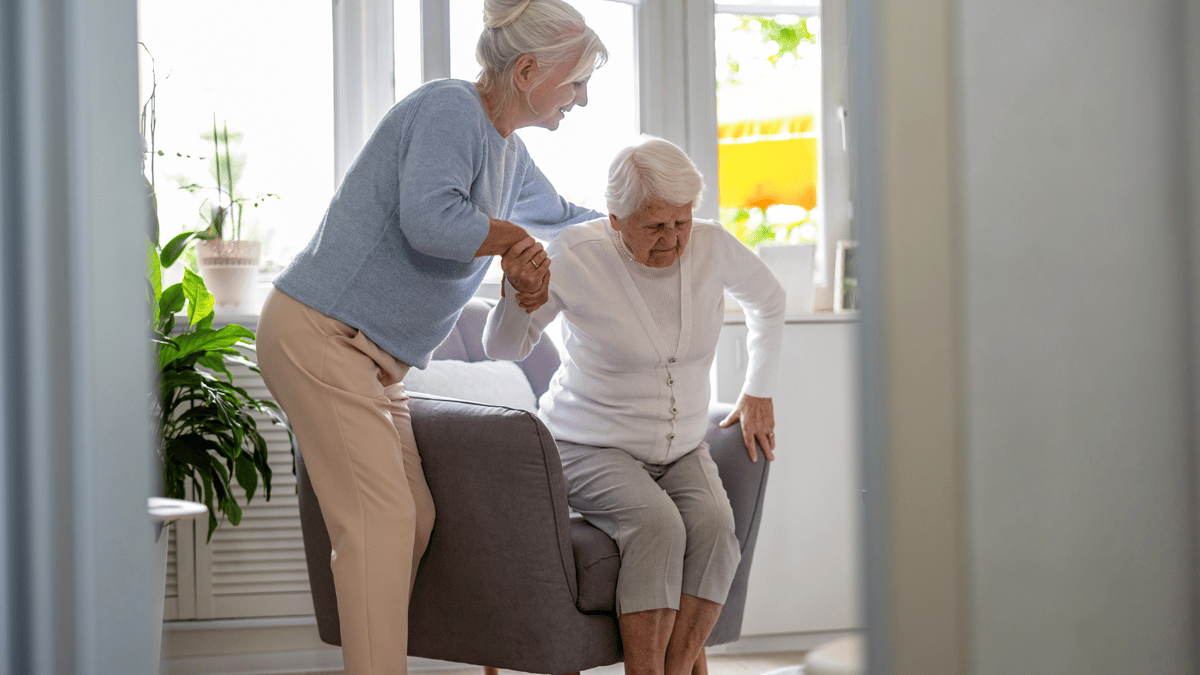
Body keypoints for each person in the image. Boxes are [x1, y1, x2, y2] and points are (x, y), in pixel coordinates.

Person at [253, 1, 607, 673]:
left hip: (374, 360)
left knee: (409, 515)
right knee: (380, 522)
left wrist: (649, 223)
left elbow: (564, 218)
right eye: (577, 81)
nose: (582, 99)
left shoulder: (510, 153)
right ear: (529, 70)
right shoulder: (451, 109)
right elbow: (431, 219)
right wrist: (511, 240)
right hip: (322, 332)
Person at [482, 136, 786, 675]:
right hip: (587, 445)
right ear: (616, 220)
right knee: (656, 525)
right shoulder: (577, 254)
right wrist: (514, 294)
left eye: (682, 222)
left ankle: (675, 669)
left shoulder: (712, 246)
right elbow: (504, 348)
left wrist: (757, 386)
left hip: (682, 448)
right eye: (654, 227)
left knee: (717, 529)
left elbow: (768, 297)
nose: (672, 240)